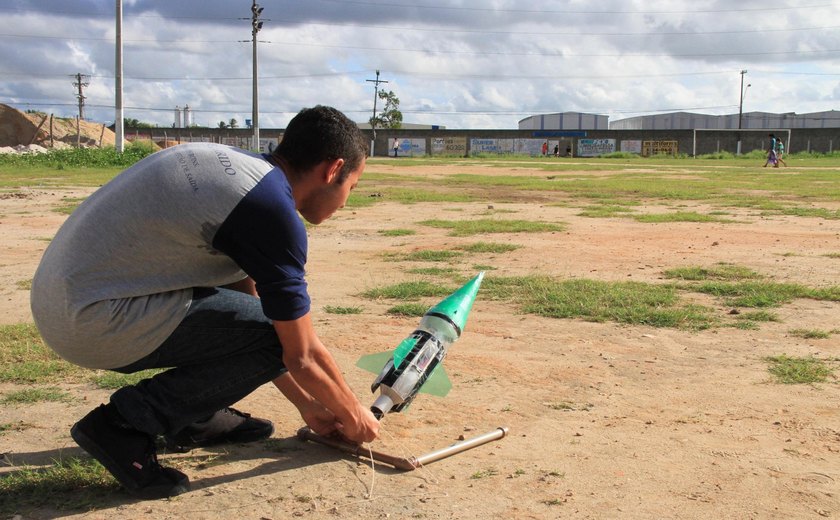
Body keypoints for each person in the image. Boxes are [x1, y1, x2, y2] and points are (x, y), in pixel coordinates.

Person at [30, 105, 380, 499]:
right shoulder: (269, 213)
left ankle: (191, 417)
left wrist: (306, 405)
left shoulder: (245, 182)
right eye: (352, 185)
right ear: (332, 170)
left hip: (67, 305)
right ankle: (123, 425)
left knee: (254, 327)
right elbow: (299, 353)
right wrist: (354, 414)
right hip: (90, 320)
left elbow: (241, 314)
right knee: (272, 335)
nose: (347, 202)